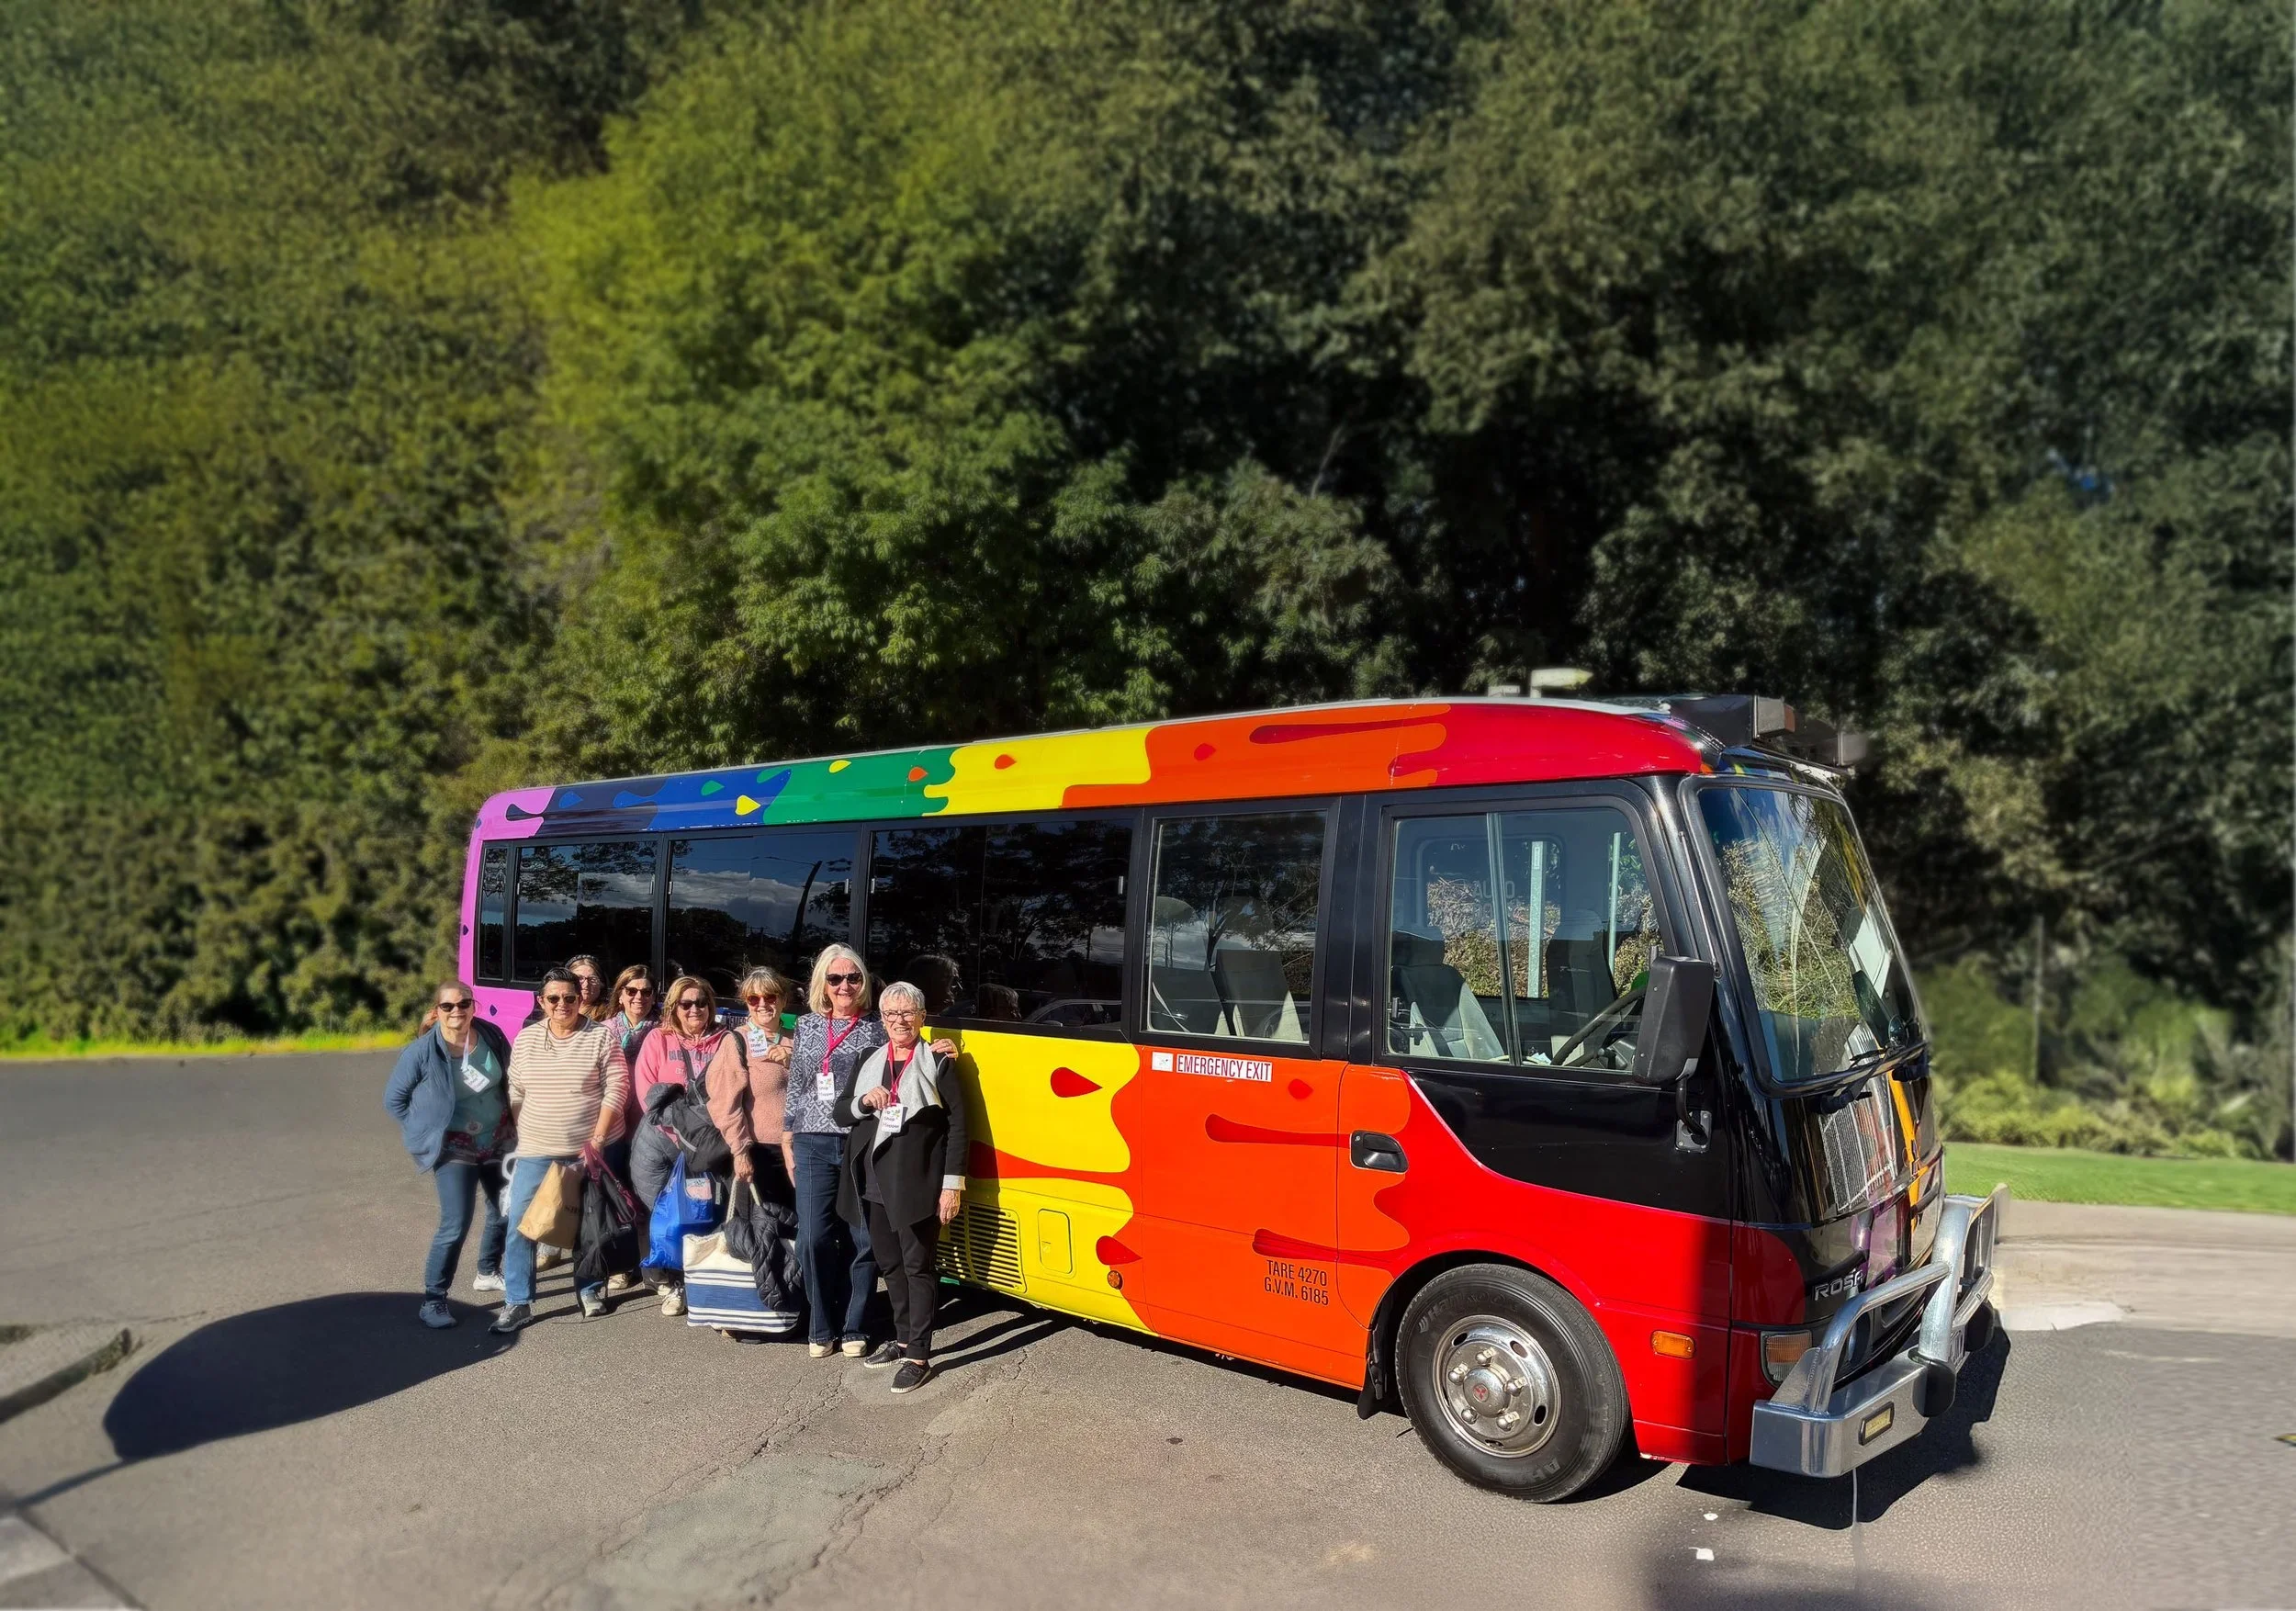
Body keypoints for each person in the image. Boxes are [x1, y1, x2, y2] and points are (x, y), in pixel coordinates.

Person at [784, 947, 960, 1359]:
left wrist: (943, 1044)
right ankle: (821, 1326)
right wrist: (786, 1138)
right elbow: (799, 1086)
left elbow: (912, 1051)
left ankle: (857, 1326)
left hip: (863, 1145)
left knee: (866, 1242)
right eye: (835, 979)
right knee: (813, 1238)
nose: (844, 986)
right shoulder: (808, 1025)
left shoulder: (876, 1028)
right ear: (822, 983)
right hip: (814, 1140)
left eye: (853, 978)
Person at [838, 981, 969, 1393]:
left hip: (918, 1183)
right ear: (882, 1019)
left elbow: (959, 1126)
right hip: (874, 1181)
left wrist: (952, 1186)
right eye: (891, 1014)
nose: (899, 1021)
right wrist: (864, 1102)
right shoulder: (868, 1059)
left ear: (922, 1017)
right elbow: (841, 1112)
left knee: (917, 1267)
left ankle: (919, 1357)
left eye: (908, 1013)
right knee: (891, 1266)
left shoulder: (939, 1061)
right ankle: (902, 1340)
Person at [495, 966, 630, 1333]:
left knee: (588, 1224)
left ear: (579, 999)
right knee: (522, 1225)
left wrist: (597, 1139)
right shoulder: (527, 1039)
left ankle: (589, 1290)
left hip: (590, 1149)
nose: (562, 1005)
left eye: (569, 998)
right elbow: (516, 1088)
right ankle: (517, 1302)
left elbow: (617, 1088)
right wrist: (524, 1129)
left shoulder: (601, 1037)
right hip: (536, 1150)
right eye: (553, 998)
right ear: (541, 1001)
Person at [382, 981, 514, 1328]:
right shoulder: (422, 1052)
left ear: (473, 1006)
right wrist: (424, 1131)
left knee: (503, 1210)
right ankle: (434, 1300)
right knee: (456, 1223)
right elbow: (394, 1100)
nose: (457, 1011)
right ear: (437, 1010)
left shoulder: (491, 1035)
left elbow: (511, 1077)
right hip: (454, 1147)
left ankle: (487, 1271)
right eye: (448, 1006)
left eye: (464, 1004)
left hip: (498, 1139)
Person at [628, 975, 730, 1318]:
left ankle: (702, 1283)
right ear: (674, 1007)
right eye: (686, 1003)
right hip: (660, 1144)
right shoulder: (658, 1039)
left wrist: (701, 1138)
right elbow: (647, 1093)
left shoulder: (725, 1040)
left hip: (707, 1147)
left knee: (706, 1214)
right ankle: (672, 1284)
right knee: (668, 1217)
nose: (694, 1009)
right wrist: (681, 1132)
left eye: (701, 1002)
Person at [569, 954, 610, 1025]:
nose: (586, 984)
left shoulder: (609, 1014)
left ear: (601, 984)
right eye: (579, 978)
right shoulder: (558, 1009)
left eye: (592, 979)